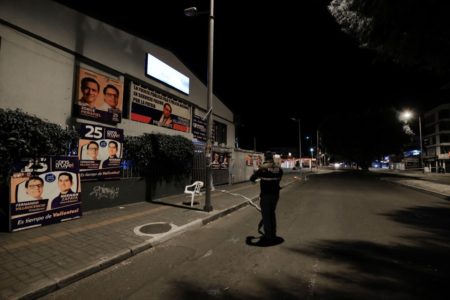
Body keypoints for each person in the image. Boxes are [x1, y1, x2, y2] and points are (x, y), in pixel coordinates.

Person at [249, 151, 283, 245]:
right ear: (272, 158)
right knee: (272, 213)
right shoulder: (278, 168)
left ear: (265, 158)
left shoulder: (263, 168)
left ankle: (268, 236)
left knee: (266, 215)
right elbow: (280, 177)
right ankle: (273, 233)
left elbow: (252, 178)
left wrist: (254, 179)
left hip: (266, 195)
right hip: (275, 195)